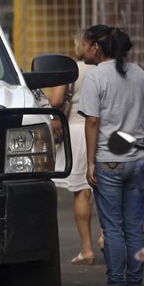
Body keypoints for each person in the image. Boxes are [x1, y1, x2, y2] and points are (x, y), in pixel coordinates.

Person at [80, 25, 144, 286]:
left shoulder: (95, 77)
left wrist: (89, 162)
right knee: (135, 226)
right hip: (137, 159)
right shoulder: (138, 73)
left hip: (108, 160)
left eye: (85, 45)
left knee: (112, 226)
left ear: (96, 48)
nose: (83, 49)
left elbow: (93, 121)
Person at [48, 30, 98, 265]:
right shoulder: (107, 71)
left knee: (82, 191)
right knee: (106, 189)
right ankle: (106, 235)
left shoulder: (69, 71)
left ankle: (87, 249)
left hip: (78, 132)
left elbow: (56, 101)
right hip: (103, 132)